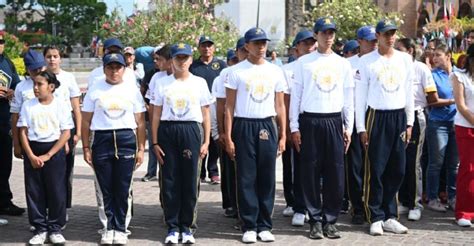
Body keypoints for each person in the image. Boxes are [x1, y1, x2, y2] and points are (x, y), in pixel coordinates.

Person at [290, 18, 354, 239]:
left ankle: (331, 220)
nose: (328, 36)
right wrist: (294, 127)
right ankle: (315, 220)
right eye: (324, 32)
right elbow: (295, 97)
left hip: (334, 121)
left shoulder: (343, 63)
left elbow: (348, 98)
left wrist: (349, 127)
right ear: (316, 35)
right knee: (310, 172)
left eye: (331, 32)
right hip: (310, 121)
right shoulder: (303, 63)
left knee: (335, 172)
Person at [225, 27, 287, 243]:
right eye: (257, 43)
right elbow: (229, 107)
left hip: (267, 125)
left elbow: (280, 105)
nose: (261, 47)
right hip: (244, 126)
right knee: (246, 177)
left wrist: (283, 135)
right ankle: (249, 224)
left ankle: (265, 224)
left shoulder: (276, 71)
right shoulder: (236, 72)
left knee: (267, 176)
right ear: (247, 46)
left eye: (264, 43)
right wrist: (229, 137)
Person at [151, 43, 214, 244]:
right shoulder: (162, 83)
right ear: (172, 60)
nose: (182, 62)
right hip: (168, 131)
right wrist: (154, 142)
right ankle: (172, 226)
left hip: (191, 131)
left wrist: (206, 141)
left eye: (186, 57)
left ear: (191, 58)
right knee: (169, 180)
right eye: (178, 58)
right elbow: (156, 114)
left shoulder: (200, 82)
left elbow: (205, 114)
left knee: (190, 180)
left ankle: (187, 227)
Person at [355, 19, 414, 236]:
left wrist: (409, 123)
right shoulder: (367, 61)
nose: (390, 38)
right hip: (376, 116)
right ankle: (376, 216)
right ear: (377, 36)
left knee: (397, 168)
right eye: (385, 34)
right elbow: (359, 96)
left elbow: (409, 92)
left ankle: (390, 215)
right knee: (375, 168)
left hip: (398, 116)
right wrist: (361, 128)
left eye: (393, 33)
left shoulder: (405, 59)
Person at [81, 53, 146, 245]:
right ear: (104, 68)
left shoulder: (132, 90)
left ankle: (121, 228)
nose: (114, 71)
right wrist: (85, 147)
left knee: (124, 187)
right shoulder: (95, 89)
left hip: (126, 138)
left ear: (124, 69)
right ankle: (108, 227)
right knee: (105, 188)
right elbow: (85, 121)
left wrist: (141, 148)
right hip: (102, 139)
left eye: (118, 67)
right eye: (110, 67)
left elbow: (140, 122)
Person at [18, 70, 73, 245]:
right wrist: (31, 155)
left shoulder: (61, 105)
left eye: (39, 84)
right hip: (33, 150)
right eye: (34, 84)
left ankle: (55, 227)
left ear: (51, 87)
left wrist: (49, 154)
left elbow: (66, 133)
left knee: (57, 190)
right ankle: (39, 228)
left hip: (54, 150)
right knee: (35, 190)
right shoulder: (28, 105)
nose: (36, 88)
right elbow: (23, 132)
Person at [395, 38, 437, 221]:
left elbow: (431, 96)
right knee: (398, 161)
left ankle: (415, 203)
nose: (395, 52)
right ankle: (403, 200)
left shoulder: (420, 68)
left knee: (413, 162)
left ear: (410, 50)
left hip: (416, 116)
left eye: (400, 49)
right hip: (395, 117)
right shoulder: (394, 66)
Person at [281, 29, 315, 227]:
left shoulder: (322, 65)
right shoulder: (288, 70)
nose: (310, 47)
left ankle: (314, 206)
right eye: (305, 44)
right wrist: (286, 127)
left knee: (316, 166)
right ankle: (298, 205)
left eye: (312, 43)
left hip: (317, 120)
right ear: (296, 49)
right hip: (296, 121)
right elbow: (284, 101)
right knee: (297, 166)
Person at [43, 45, 82, 217]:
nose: (52, 59)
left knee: (65, 170)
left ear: (60, 58)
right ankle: (44, 208)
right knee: (45, 171)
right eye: (49, 56)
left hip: (66, 128)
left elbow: (76, 106)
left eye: (55, 56)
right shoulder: (40, 78)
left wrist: (78, 131)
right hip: (45, 128)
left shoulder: (68, 78)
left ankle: (62, 208)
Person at [212, 37, 248, 219]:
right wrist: (220, 132)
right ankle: (233, 204)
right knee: (230, 170)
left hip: (248, 125)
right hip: (230, 126)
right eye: (242, 50)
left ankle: (245, 207)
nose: (245, 54)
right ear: (237, 52)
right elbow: (220, 105)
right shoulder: (226, 73)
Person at [346, 25, 378, 225]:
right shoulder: (348, 64)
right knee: (355, 166)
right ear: (359, 41)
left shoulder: (381, 61)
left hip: (375, 115)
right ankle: (357, 206)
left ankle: (375, 205)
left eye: (376, 40)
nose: (373, 44)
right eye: (369, 40)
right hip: (355, 114)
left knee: (376, 163)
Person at [425, 44, 459, 212]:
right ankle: (432, 197)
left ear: (448, 55)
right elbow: (432, 101)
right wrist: (455, 101)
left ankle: (453, 197)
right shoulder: (432, 76)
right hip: (438, 123)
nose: (435, 58)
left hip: (457, 122)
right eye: (434, 55)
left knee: (454, 164)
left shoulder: (459, 74)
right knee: (436, 163)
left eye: (438, 55)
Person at [190, 35, 227, 184]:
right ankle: (201, 171)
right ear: (199, 48)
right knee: (201, 138)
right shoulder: (194, 66)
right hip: (199, 107)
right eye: (204, 46)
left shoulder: (221, 65)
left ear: (214, 48)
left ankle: (213, 171)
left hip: (216, 106)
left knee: (215, 140)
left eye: (209, 45)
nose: (207, 48)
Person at [0, 31, 24, 219]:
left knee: (4, 163)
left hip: (4, 120)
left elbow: (16, 84)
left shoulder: (7, 63)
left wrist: (11, 92)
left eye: (1, 41)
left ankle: (4, 202)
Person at [142, 45, 173, 182]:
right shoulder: (156, 77)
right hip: (160, 125)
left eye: (159, 59)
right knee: (162, 160)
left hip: (179, 126)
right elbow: (152, 104)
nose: (157, 63)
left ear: (169, 60)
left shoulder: (189, 77)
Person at [451, 44, 474, 227]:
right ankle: (464, 212)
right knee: (468, 169)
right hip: (466, 128)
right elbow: (461, 105)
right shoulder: (460, 77)